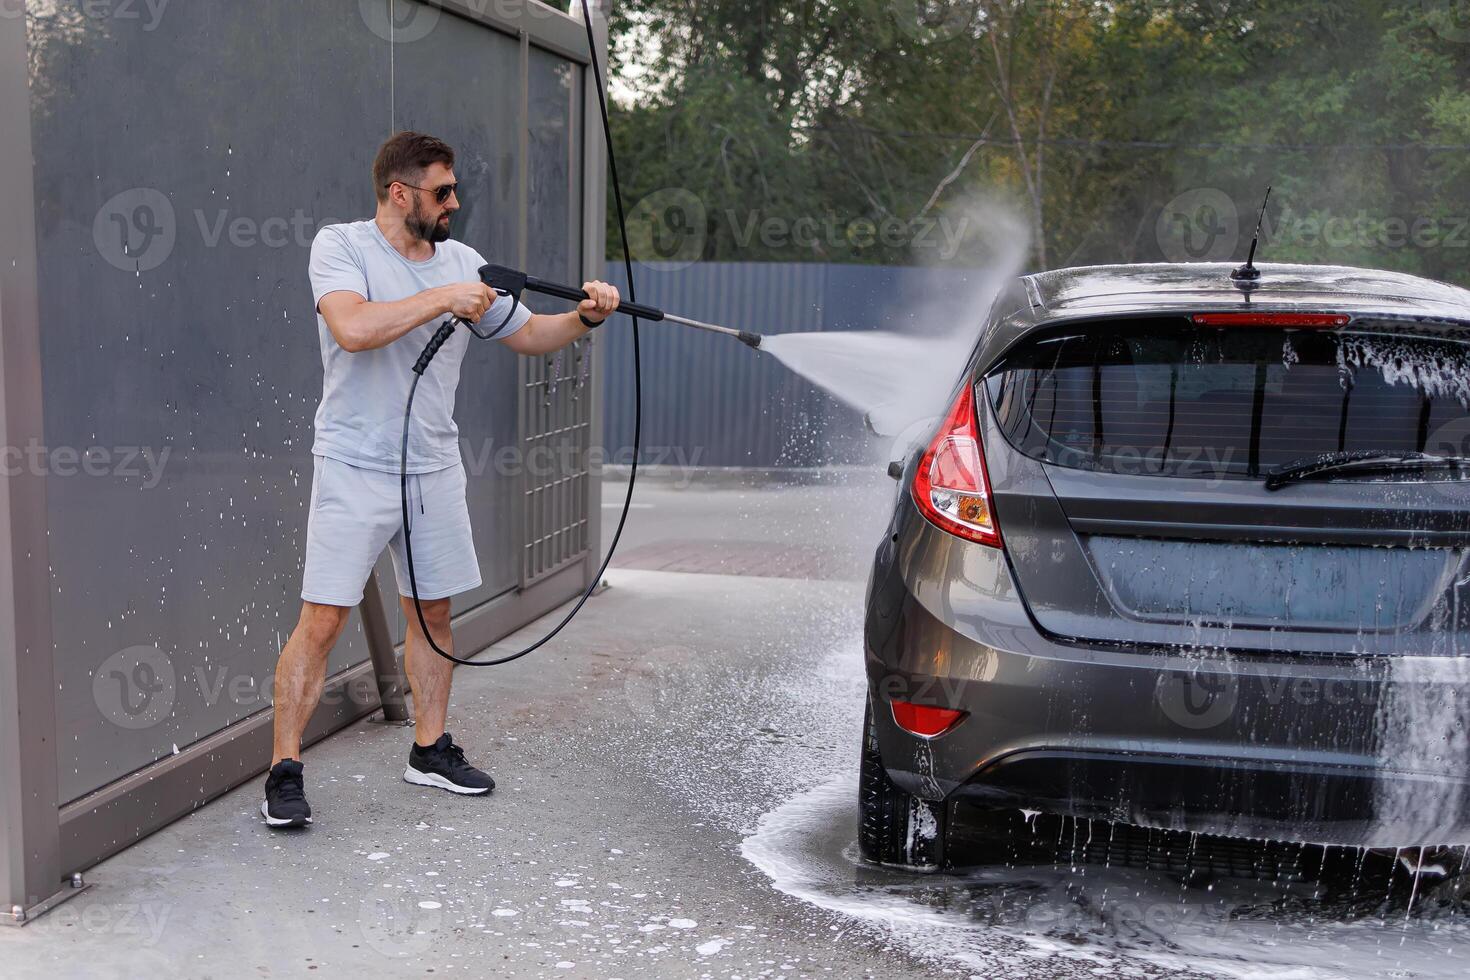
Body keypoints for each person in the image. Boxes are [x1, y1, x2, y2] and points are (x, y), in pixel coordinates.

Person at [261, 131, 619, 828]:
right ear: (401, 193)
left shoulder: (463, 262)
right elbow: (354, 328)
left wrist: (583, 316)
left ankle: (428, 750)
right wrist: (442, 299)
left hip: (432, 466)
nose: (455, 203)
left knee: (433, 613)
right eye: (441, 191)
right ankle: (284, 770)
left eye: (455, 189)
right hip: (353, 464)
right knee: (324, 618)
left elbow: (527, 335)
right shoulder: (343, 248)